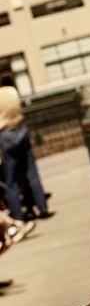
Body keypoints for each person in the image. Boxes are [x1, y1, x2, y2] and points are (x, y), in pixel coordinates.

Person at [0, 78, 53, 221]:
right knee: (32, 173)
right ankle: (43, 208)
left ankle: (17, 217)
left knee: (11, 181)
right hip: (20, 130)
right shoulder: (12, 91)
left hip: (4, 135)